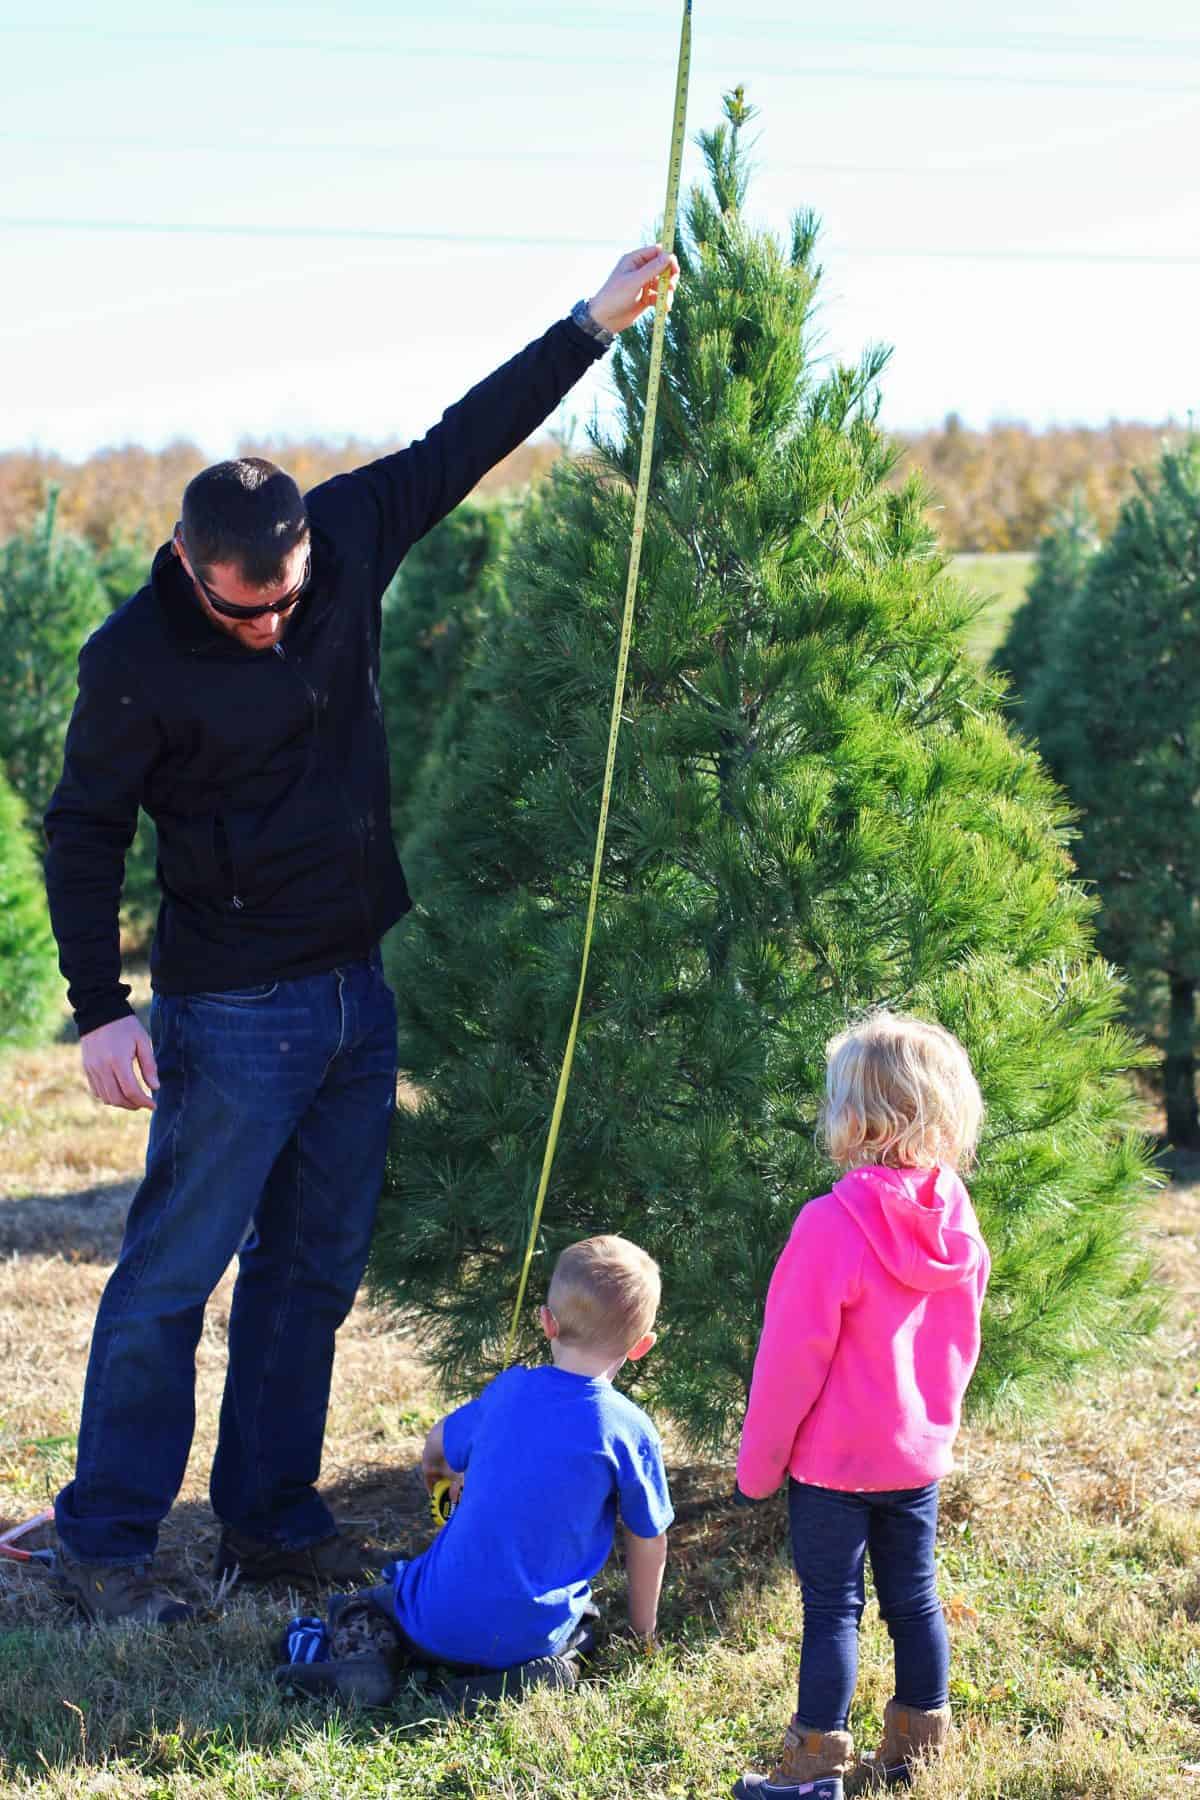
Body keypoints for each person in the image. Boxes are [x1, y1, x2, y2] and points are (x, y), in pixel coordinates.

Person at [41, 247, 679, 1626]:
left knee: (314, 1273)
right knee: (169, 1273)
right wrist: (101, 1006)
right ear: (186, 569)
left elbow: (464, 439)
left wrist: (590, 328)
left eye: (283, 597)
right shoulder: (133, 663)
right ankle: (103, 1537)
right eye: (238, 608)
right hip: (229, 1009)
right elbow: (81, 828)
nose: (269, 625)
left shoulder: (349, 537)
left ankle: (270, 1518)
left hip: (354, 992)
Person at [731, 1011, 990, 1800]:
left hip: (833, 1466)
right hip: (914, 1458)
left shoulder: (829, 1223)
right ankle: (922, 1739)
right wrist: (931, 1425)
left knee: (831, 1609)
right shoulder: (954, 1214)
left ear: (848, 1117)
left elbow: (789, 1363)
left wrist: (758, 1466)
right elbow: (963, 1339)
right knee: (913, 1599)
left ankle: (813, 1767)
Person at [357, 1234, 672, 1674]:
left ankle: (375, 1653)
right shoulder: (630, 1430)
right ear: (642, 1346)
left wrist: (443, 1493)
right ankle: (531, 1676)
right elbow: (648, 1538)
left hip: (434, 1624)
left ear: (547, 1322)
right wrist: (644, 1635)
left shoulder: (507, 1391)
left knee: (397, 1590)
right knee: (582, 1626)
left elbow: (435, 1449)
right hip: (530, 1638)